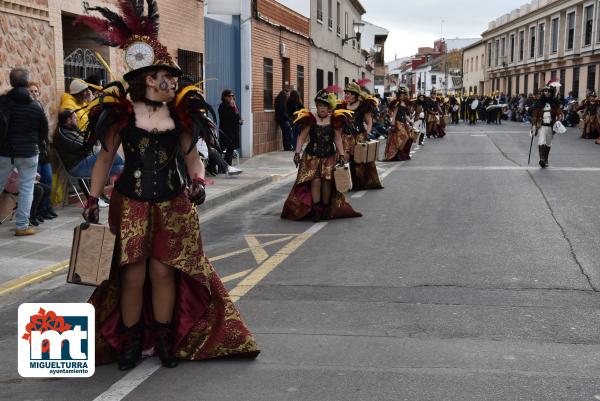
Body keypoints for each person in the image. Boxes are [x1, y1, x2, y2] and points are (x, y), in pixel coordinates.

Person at [77, 1, 259, 371]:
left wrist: (197, 181)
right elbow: (105, 160)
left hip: (174, 204)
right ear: (145, 77)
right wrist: (92, 199)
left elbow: (193, 157)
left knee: (164, 271)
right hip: (130, 203)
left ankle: (164, 338)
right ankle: (131, 341)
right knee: (132, 273)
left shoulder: (182, 114)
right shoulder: (120, 115)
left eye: (174, 77)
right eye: (166, 76)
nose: (173, 82)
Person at [281, 89, 361, 222]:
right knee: (316, 180)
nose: (322, 108)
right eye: (319, 105)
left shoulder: (334, 120)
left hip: (329, 156)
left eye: (324, 106)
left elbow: (337, 139)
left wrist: (341, 155)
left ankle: (325, 209)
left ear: (329, 108)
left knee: (327, 181)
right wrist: (297, 153)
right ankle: (317, 211)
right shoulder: (311, 119)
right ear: (316, 106)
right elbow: (301, 138)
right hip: (312, 156)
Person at [0, 68, 49, 236]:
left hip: (5, 152)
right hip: (29, 153)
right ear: (27, 82)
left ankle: (22, 225)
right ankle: (22, 226)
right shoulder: (36, 106)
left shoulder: (3, 102)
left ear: (11, 82)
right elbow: (43, 131)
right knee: (27, 189)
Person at [53, 109, 124, 206]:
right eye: (75, 117)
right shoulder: (63, 132)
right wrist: (93, 144)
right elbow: (84, 146)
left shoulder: (71, 130)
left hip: (85, 161)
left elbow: (86, 144)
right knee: (109, 152)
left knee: (120, 168)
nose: (77, 119)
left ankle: (127, 169)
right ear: (68, 120)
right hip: (78, 166)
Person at [340, 81, 383, 190]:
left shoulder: (363, 106)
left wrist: (367, 133)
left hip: (359, 136)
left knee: (359, 161)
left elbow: (369, 122)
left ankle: (359, 183)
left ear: (355, 95)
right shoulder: (342, 106)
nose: (346, 96)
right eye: (345, 93)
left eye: (348, 94)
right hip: (345, 137)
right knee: (345, 158)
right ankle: (346, 183)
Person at [28, 81, 57, 220]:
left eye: (36, 91)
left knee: (48, 180)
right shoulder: (26, 108)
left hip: (43, 151)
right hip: (33, 152)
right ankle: (36, 212)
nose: (34, 94)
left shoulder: (39, 106)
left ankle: (46, 208)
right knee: (37, 184)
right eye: (31, 91)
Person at [531, 85, 563, 168]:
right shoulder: (539, 102)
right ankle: (541, 159)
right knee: (541, 141)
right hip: (541, 126)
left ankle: (546, 159)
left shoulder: (555, 102)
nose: (547, 92)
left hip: (550, 126)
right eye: (545, 91)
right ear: (543, 92)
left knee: (548, 143)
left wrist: (559, 119)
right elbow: (535, 115)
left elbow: (560, 114)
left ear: (551, 92)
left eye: (548, 91)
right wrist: (534, 125)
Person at [384, 87, 412, 161]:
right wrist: (392, 124)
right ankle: (399, 153)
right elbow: (394, 114)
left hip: (404, 123)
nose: (403, 96)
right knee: (405, 137)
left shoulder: (404, 103)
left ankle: (399, 153)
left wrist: (410, 121)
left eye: (404, 95)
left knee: (407, 137)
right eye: (401, 95)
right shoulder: (397, 103)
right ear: (399, 95)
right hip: (398, 123)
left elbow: (405, 115)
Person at [218, 89, 243, 165]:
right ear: (225, 97)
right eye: (229, 96)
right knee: (224, 149)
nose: (231, 97)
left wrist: (239, 121)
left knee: (231, 150)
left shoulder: (234, 106)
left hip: (234, 131)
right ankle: (224, 166)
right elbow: (227, 117)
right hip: (226, 132)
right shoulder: (222, 106)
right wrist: (232, 108)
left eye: (232, 96)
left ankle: (228, 165)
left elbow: (237, 117)